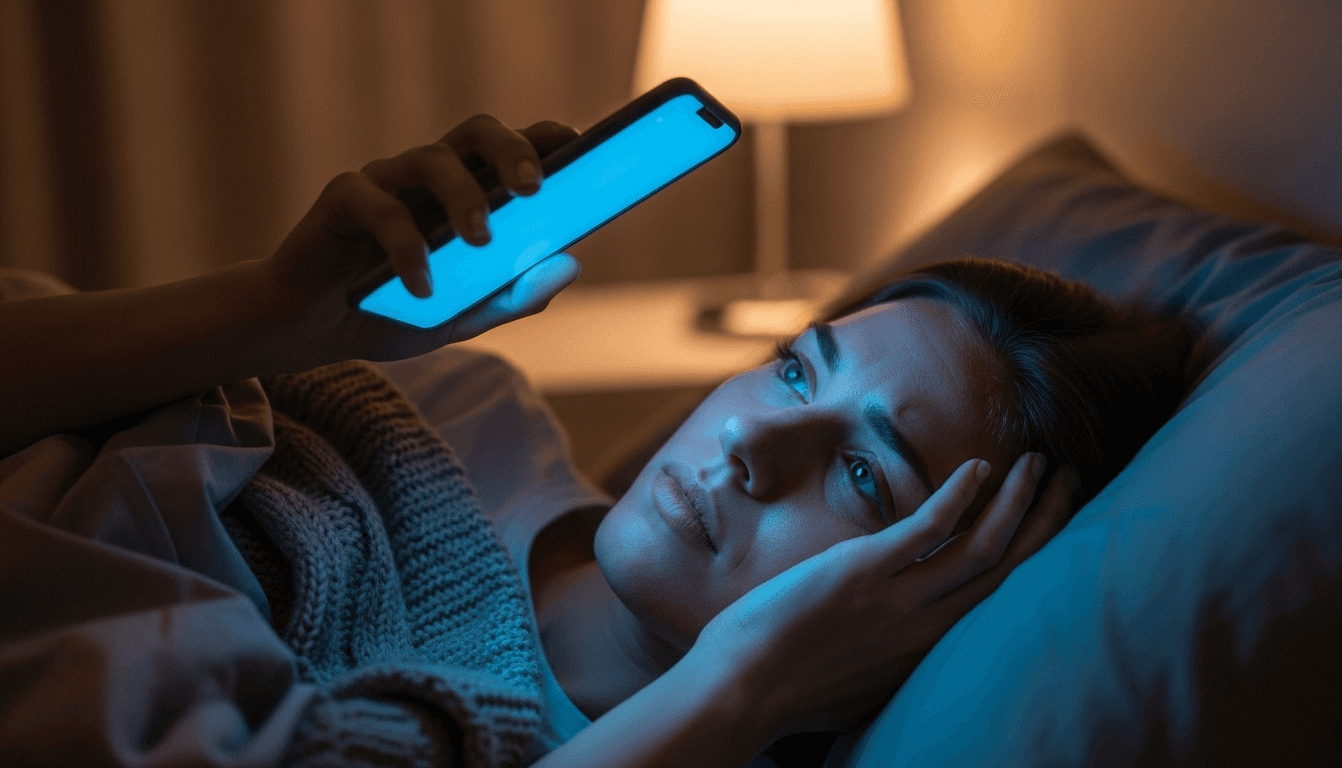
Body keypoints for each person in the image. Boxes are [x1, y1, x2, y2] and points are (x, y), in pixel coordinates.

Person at [0, 114, 1192, 767]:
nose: (752, 445)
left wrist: (746, 690)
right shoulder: (472, 402)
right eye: (791, 368)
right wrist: (263, 314)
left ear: (940, 591)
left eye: (863, 472)